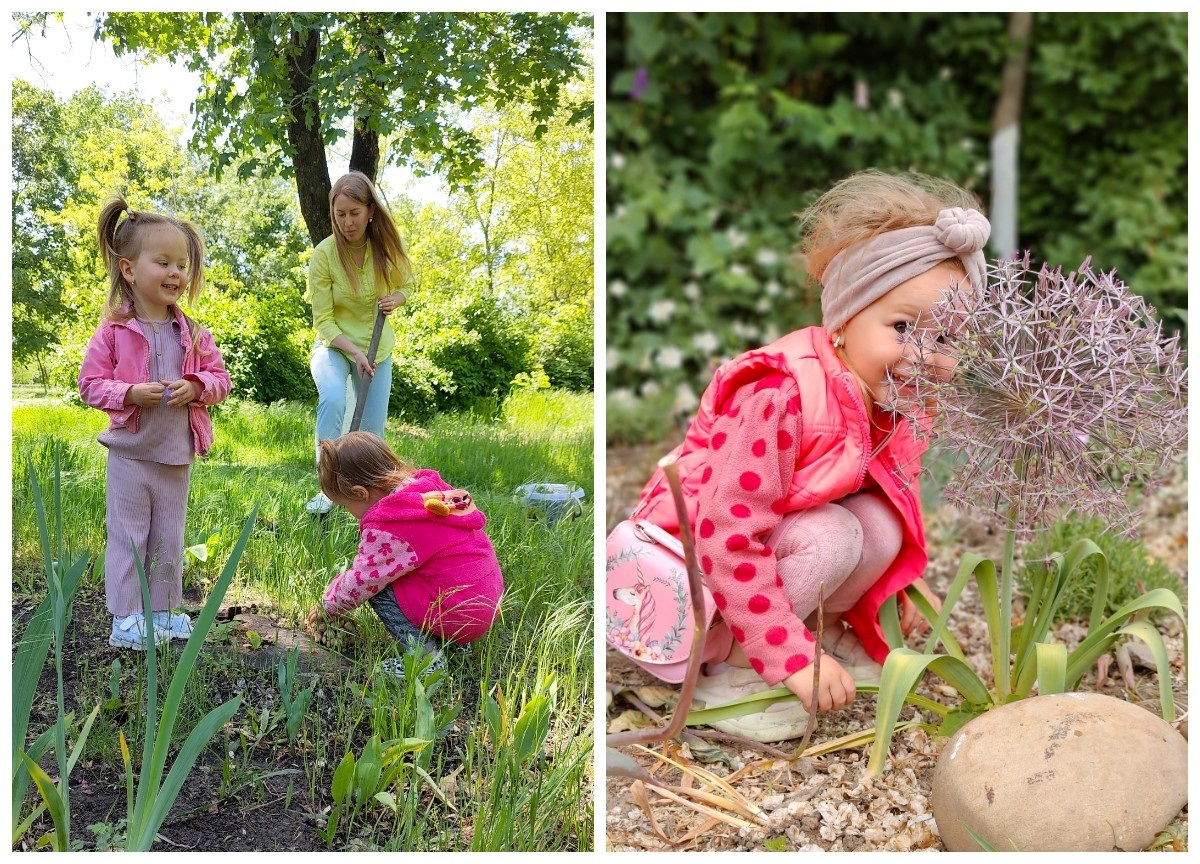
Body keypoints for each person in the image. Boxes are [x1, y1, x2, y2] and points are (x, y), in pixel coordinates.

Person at [627, 170, 988, 741]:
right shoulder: (781, 396)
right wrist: (789, 657)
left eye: (946, 340)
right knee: (832, 536)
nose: (924, 355)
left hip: (757, 557)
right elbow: (726, 535)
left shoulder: (892, 400)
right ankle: (738, 675)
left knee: (877, 524)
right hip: (691, 575)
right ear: (843, 320)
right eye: (903, 328)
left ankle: (817, 631)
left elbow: (887, 494)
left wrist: (903, 583)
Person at [79, 197, 231, 650]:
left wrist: (197, 385)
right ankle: (127, 617)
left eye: (182, 264)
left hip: (175, 454)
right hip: (130, 453)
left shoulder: (194, 333)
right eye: (162, 261)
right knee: (129, 536)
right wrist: (127, 392)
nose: (176, 273)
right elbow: (89, 385)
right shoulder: (114, 332)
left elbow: (221, 380)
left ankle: (162, 612)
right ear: (129, 270)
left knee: (169, 536)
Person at [305, 431, 504, 679]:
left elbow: (363, 579)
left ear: (360, 494)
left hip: (456, 612)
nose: (348, 512)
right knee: (416, 574)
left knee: (379, 588)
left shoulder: (392, 523)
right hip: (483, 603)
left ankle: (425, 661)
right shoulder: (424, 492)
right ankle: (454, 646)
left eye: (346, 505)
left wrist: (328, 606)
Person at [304, 171, 413, 514]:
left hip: (376, 351)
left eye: (354, 213)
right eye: (340, 214)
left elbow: (407, 285)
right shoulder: (324, 255)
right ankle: (326, 487)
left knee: (371, 435)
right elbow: (323, 320)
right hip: (334, 347)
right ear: (332, 214)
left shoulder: (385, 249)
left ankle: (371, 504)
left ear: (369, 212)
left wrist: (397, 298)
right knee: (334, 398)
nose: (347, 222)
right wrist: (353, 353)